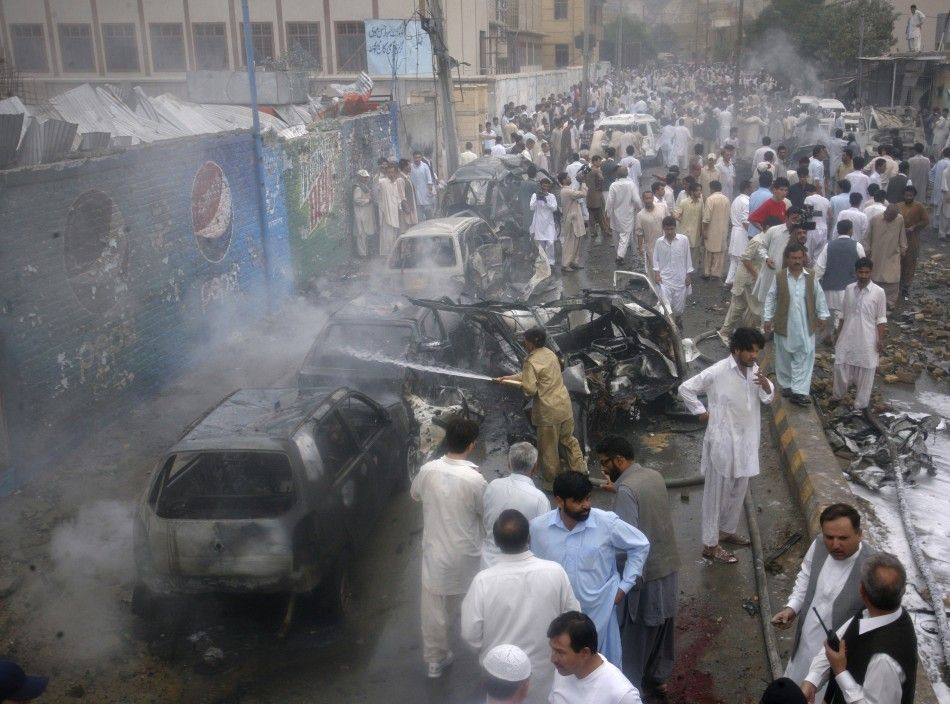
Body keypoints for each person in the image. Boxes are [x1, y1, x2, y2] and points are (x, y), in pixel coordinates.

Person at [530, 473, 650, 668]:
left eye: (587, 498)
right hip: (558, 613)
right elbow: (535, 566)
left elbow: (641, 545)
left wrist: (624, 586)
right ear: (559, 501)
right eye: (578, 501)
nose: (586, 505)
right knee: (560, 665)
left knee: (604, 667)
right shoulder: (538, 528)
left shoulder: (606, 523)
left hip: (600, 610)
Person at [462, 510, 579, 704]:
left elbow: (470, 634)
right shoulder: (555, 572)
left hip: (501, 679)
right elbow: (573, 618)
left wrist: (488, 652)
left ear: (497, 544)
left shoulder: (483, 581)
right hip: (544, 674)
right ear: (529, 537)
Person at [678, 327, 774, 564]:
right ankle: (710, 545)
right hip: (722, 444)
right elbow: (685, 389)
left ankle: (727, 531)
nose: (754, 355)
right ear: (737, 349)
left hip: (747, 442)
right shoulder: (717, 371)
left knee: (738, 489)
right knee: (715, 496)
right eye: (750, 351)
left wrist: (765, 385)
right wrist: (701, 412)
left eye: (757, 351)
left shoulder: (755, 372)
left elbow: (768, 398)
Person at [597, 436, 680, 698]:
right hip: (669, 565)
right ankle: (657, 679)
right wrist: (619, 490)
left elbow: (627, 542)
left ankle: (629, 690)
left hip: (646, 573)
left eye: (605, 463)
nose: (603, 470)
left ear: (619, 460)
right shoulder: (652, 475)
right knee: (664, 626)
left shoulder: (627, 491)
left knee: (637, 635)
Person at [410, 416, 487, 678]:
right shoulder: (476, 480)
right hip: (467, 553)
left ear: (445, 440)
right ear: (472, 445)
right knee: (472, 602)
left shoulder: (428, 470)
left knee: (434, 608)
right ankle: (482, 649)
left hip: (435, 553)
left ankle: (436, 659)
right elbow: (484, 514)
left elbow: (415, 494)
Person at [771, 504, 872, 700]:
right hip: (805, 643)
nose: (835, 545)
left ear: (859, 534)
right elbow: (806, 576)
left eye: (843, 538)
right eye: (829, 537)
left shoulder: (871, 567)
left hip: (836, 660)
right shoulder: (818, 545)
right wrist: (792, 608)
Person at [802, 553, 917, 704]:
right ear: (902, 591)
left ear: (862, 591)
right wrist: (813, 679)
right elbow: (839, 641)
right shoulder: (872, 612)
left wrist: (841, 672)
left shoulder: (884, 660)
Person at [493, 327, 586, 488]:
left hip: (548, 412)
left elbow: (530, 389)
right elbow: (534, 375)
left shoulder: (531, 360)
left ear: (530, 343)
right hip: (564, 406)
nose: (525, 344)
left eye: (525, 341)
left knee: (548, 451)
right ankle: (580, 472)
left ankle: (551, 484)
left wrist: (522, 384)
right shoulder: (550, 354)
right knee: (569, 441)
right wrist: (509, 378)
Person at [764, 243, 830, 406]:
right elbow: (771, 297)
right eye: (794, 258)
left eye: (800, 258)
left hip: (805, 326)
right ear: (787, 259)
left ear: (804, 258)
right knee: (784, 356)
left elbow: (819, 296)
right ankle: (786, 386)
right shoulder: (779, 277)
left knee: (805, 355)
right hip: (784, 325)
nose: (797, 261)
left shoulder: (811, 276)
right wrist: (767, 318)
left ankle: (799, 392)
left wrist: (822, 315)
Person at [547, 612, 643, 704]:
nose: (553, 659)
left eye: (560, 652)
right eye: (553, 650)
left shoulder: (622, 695)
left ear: (585, 653)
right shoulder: (563, 671)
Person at [830, 258, 887, 414]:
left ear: (871, 272)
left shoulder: (879, 292)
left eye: (866, 272)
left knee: (866, 372)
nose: (863, 275)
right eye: (860, 272)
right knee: (840, 365)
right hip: (847, 336)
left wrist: (880, 339)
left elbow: (881, 319)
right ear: (856, 272)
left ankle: (860, 406)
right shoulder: (849, 289)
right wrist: (837, 332)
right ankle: (837, 397)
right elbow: (842, 314)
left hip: (868, 339)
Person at [480, 443, 550, 567]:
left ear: (509, 465)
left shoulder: (493, 486)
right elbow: (543, 540)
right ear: (535, 468)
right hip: (524, 567)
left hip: (489, 562)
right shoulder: (540, 499)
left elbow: (484, 518)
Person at [814, 220, 866, 333]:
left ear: (837, 231)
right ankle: (839, 338)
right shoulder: (857, 246)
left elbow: (819, 269)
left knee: (831, 315)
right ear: (851, 230)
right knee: (844, 316)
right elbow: (863, 267)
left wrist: (813, 285)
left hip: (830, 288)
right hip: (850, 289)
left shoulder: (828, 246)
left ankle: (829, 336)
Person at [652, 216, 693, 328]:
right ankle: (668, 326)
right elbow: (656, 259)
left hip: (680, 279)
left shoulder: (683, 240)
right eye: (667, 229)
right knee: (665, 305)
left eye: (671, 229)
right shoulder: (659, 242)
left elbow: (687, 258)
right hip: (665, 280)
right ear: (663, 229)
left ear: (675, 228)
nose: (669, 232)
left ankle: (678, 319)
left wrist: (688, 275)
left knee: (679, 307)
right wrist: (657, 275)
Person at [865, 206, 907, 310]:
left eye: (893, 216)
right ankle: (873, 302)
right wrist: (867, 250)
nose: (890, 218)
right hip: (877, 254)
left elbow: (902, 235)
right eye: (888, 215)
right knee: (875, 277)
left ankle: (889, 304)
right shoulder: (875, 219)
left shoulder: (900, 219)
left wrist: (903, 248)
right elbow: (867, 237)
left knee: (893, 279)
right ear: (885, 213)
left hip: (893, 254)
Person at [606, 166, 643, 268]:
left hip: (615, 213)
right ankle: (620, 256)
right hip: (627, 214)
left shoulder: (613, 185)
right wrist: (640, 208)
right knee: (625, 235)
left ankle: (619, 254)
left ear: (617, 174)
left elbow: (610, 201)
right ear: (627, 174)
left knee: (616, 235)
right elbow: (636, 199)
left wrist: (607, 213)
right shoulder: (631, 185)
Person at [896, 186, 929, 298]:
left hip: (912, 238)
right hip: (899, 238)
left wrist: (914, 227)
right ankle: (898, 284)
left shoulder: (919, 206)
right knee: (899, 261)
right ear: (903, 195)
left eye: (910, 195)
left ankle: (906, 286)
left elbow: (925, 221)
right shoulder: (898, 206)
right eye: (906, 195)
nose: (908, 197)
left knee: (910, 262)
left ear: (914, 196)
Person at [377, 162, 408, 256]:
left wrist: (401, 208)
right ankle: (386, 256)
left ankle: (392, 255)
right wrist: (380, 170)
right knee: (387, 237)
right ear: (386, 173)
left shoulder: (396, 183)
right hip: (386, 215)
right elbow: (375, 182)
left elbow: (398, 198)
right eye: (389, 172)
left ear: (395, 173)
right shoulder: (382, 182)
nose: (391, 174)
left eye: (392, 172)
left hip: (395, 214)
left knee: (394, 236)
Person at [634, 190, 667, 279]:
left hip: (665, 242)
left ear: (653, 198)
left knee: (666, 265)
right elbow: (639, 233)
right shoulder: (640, 215)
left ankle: (666, 288)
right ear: (643, 200)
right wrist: (640, 247)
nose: (648, 200)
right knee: (654, 267)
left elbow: (668, 224)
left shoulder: (662, 208)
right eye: (646, 198)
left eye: (650, 198)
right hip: (651, 246)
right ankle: (655, 288)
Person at [726, 179, 753, 285]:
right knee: (741, 259)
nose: (752, 189)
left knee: (734, 259)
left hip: (735, 231)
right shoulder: (746, 201)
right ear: (747, 188)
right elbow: (745, 221)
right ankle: (737, 282)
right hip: (742, 232)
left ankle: (729, 280)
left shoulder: (736, 199)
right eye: (751, 187)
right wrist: (751, 235)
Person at [559, 172, 588, 272]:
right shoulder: (566, 191)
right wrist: (583, 182)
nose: (570, 178)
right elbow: (583, 194)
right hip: (571, 220)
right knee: (570, 242)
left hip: (575, 219)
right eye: (567, 177)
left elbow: (578, 193)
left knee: (577, 241)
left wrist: (580, 183)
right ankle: (565, 264)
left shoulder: (568, 190)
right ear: (563, 180)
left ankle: (573, 262)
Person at [702, 179, 730, 280]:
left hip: (711, 230)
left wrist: (704, 231)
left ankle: (707, 272)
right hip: (723, 230)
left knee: (709, 252)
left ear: (712, 188)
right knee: (720, 252)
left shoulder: (710, 199)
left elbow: (706, 218)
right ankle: (716, 273)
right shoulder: (726, 199)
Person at [529, 178, 558, 266]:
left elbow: (554, 208)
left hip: (549, 222)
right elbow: (531, 207)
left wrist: (546, 201)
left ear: (549, 186)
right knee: (541, 244)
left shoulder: (551, 196)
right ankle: (543, 261)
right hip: (539, 222)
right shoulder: (535, 195)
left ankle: (551, 262)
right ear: (541, 186)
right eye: (544, 186)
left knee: (550, 242)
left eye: (547, 186)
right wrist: (537, 199)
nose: (545, 187)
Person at [352, 170, 376, 258]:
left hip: (365, 213)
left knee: (365, 234)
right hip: (360, 213)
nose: (366, 179)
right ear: (360, 177)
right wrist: (368, 201)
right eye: (364, 177)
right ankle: (362, 254)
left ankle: (365, 252)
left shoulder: (364, 187)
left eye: (366, 177)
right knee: (361, 234)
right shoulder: (358, 188)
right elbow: (356, 200)